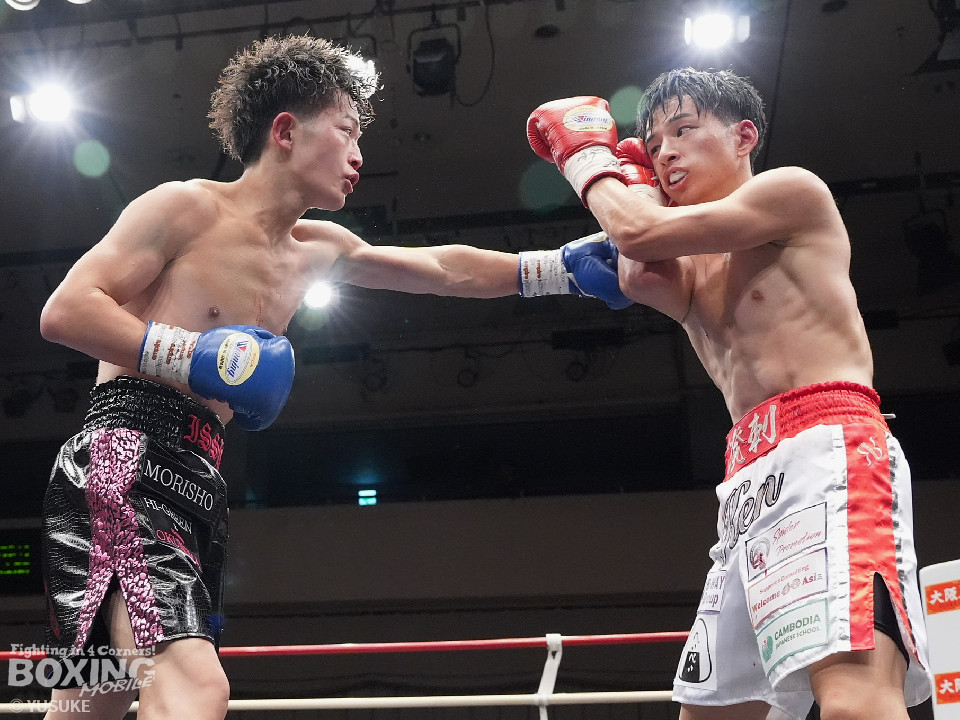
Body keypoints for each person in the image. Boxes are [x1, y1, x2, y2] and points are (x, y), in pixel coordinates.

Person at [37, 34, 631, 720]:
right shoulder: (186, 208)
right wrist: (191, 355)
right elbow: (66, 310)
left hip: (198, 474)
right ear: (286, 131)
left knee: (94, 702)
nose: (359, 155)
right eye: (346, 130)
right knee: (195, 688)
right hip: (127, 455)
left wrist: (557, 269)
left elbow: (440, 269)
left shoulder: (318, 249)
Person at [526, 69, 933, 720]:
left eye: (683, 130)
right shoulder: (689, 269)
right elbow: (638, 269)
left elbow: (636, 235)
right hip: (746, 485)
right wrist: (637, 185)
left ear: (744, 137)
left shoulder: (791, 192)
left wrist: (587, 159)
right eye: (652, 146)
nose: (666, 152)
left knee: (854, 700)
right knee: (713, 713)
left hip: (827, 451)